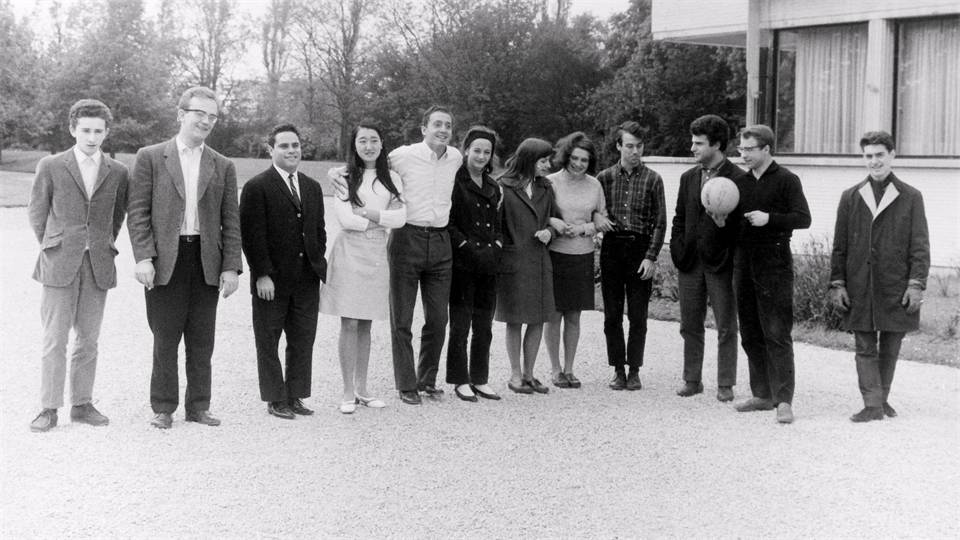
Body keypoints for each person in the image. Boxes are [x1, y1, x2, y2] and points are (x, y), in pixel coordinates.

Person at [127, 86, 242, 429]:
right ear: (181, 115)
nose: (206, 121)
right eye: (199, 114)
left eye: (212, 116)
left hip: (205, 260)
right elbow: (138, 213)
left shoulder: (223, 165)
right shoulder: (150, 157)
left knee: (202, 340)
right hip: (165, 260)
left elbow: (231, 221)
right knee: (165, 338)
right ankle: (164, 407)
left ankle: (199, 406)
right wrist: (144, 257)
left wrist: (231, 267)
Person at [331, 106, 462, 405]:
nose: (443, 130)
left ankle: (427, 379)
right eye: (437, 124)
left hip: (440, 239)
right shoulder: (403, 155)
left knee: (438, 318)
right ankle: (406, 384)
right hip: (407, 238)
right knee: (401, 317)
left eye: (448, 125)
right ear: (424, 128)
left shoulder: (455, 157)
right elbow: (367, 160)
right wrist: (335, 172)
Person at [27, 99, 129, 432]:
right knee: (55, 339)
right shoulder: (51, 165)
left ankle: (82, 404)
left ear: (107, 132)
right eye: (85, 130)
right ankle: (49, 408)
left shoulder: (118, 171)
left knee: (89, 339)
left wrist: (99, 244)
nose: (92, 137)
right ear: (73, 129)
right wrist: (55, 244)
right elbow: (37, 212)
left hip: (97, 263)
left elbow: (117, 217)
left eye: (98, 131)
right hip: (59, 262)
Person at [829, 130, 929, 423]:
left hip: (895, 283)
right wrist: (837, 283)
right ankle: (872, 404)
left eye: (880, 155)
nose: (874, 161)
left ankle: (881, 398)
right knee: (864, 345)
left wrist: (916, 284)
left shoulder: (911, 196)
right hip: (859, 283)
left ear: (892, 155)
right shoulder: (850, 197)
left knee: (891, 345)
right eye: (868, 156)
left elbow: (920, 246)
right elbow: (840, 246)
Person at [240, 124, 327, 420]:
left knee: (303, 339)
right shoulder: (257, 187)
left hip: (306, 279)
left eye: (295, 145)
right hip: (272, 281)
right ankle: (275, 398)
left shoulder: (312, 187)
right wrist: (262, 274)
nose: (292, 150)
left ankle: (295, 394)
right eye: (284, 146)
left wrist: (317, 262)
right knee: (268, 340)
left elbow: (318, 231)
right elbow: (252, 235)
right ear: (271, 149)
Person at [319, 121, 405, 414]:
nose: (369, 146)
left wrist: (368, 213)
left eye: (374, 140)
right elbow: (346, 219)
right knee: (350, 322)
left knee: (366, 322)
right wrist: (382, 218)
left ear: (382, 144)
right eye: (363, 141)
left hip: (377, 252)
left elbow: (401, 218)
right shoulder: (344, 176)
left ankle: (362, 388)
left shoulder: (392, 178)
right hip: (350, 251)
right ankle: (347, 391)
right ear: (354, 145)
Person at [731, 124, 811, 424]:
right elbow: (734, 224)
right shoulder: (739, 182)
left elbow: (803, 218)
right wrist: (722, 218)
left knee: (776, 333)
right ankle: (762, 394)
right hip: (744, 260)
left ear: (766, 149)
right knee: (750, 332)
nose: (744, 155)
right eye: (741, 149)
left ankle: (784, 400)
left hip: (774, 262)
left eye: (749, 149)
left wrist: (770, 219)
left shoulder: (787, 180)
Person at [669, 115, 744, 402]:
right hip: (690, 262)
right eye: (693, 142)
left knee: (726, 325)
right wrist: (677, 248)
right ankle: (692, 379)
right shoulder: (689, 177)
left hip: (721, 262)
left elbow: (742, 227)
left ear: (717, 144)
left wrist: (724, 230)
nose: (692, 148)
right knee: (689, 324)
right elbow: (679, 217)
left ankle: (725, 383)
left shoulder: (738, 179)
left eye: (699, 143)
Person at [595, 121, 667, 391]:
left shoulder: (653, 179)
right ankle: (618, 369)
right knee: (612, 314)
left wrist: (651, 257)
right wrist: (597, 219)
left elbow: (660, 222)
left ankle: (634, 369)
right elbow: (593, 210)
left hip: (640, 249)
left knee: (638, 315)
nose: (635, 151)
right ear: (618, 146)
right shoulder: (604, 178)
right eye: (629, 146)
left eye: (639, 146)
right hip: (613, 248)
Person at [496, 138, 565, 395]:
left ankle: (529, 374)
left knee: (537, 319)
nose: (548, 166)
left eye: (548, 160)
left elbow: (555, 219)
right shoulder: (503, 186)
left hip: (539, 261)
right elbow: (496, 226)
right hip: (513, 262)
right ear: (529, 159)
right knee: (514, 320)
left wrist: (549, 232)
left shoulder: (545, 187)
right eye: (543, 161)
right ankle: (515, 374)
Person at [544, 132, 607, 389]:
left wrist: (583, 229)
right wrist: (554, 222)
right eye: (575, 158)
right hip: (554, 254)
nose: (579, 164)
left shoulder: (595, 185)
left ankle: (570, 369)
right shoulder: (550, 182)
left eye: (584, 160)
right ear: (566, 156)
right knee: (554, 314)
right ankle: (555, 369)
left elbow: (602, 219)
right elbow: (539, 214)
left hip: (582, 255)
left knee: (574, 315)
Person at [445, 126, 503, 402]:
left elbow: (499, 224)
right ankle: (460, 379)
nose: (481, 156)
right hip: (463, 263)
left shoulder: (493, 186)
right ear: (466, 150)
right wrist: (466, 247)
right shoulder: (454, 182)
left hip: (488, 263)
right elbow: (449, 223)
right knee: (460, 324)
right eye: (477, 150)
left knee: (484, 324)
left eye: (486, 152)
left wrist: (498, 245)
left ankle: (480, 377)